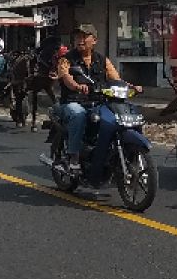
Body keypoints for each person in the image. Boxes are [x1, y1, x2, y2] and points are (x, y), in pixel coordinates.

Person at [55, 24, 129, 177]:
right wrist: (77, 86)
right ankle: (74, 158)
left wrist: (131, 87)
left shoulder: (102, 60)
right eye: (77, 37)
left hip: (97, 102)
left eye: (84, 37)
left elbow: (116, 78)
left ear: (94, 40)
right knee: (78, 113)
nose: (80, 40)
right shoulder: (66, 59)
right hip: (72, 101)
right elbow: (66, 78)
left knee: (116, 116)